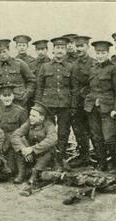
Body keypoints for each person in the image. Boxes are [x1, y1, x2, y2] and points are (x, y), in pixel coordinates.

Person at [35, 36, 78, 171]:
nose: (60, 50)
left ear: (66, 50)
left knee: (63, 132)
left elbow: (74, 88)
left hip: (65, 104)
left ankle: (60, 158)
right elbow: (40, 87)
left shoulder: (71, 67)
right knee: (49, 132)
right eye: (57, 48)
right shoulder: (45, 66)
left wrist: (73, 105)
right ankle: (49, 158)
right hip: (48, 105)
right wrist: (38, 106)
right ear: (53, 50)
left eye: (62, 48)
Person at [84, 40, 116, 172]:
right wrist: (88, 98)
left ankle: (114, 163)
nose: (100, 55)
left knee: (109, 137)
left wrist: (115, 109)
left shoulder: (113, 68)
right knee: (96, 136)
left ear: (108, 53)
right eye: (98, 53)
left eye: (103, 53)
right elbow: (87, 87)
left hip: (107, 109)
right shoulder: (93, 68)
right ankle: (101, 163)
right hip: (92, 108)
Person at [10, 101, 58, 184]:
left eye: (34, 116)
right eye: (30, 115)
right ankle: (21, 173)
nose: (30, 117)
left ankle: (35, 174)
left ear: (42, 117)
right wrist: (23, 149)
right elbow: (15, 135)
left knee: (49, 150)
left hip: (43, 155)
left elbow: (52, 140)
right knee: (19, 143)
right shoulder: (29, 123)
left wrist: (32, 149)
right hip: (30, 154)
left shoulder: (49, 125)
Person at [68, 35, 96, 168]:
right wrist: (73, 105)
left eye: (81, 46)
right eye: (77, 46)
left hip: (90, 103)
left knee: (94, 131)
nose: (79, 49)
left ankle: (100, 158)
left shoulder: (94, 63)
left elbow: (95, 85)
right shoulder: (74, 65)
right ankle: (84, 157)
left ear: (87, 47)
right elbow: (73, 87)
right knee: (79, 131)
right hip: (77, 104)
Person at [0, 85, 28, 182]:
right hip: (1, 143)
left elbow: (25, 130)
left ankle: (21, 173)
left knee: (17, 144)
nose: (7, 98)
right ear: (0, 97)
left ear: (13, 96)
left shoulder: (20, 111)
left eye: (9, 95)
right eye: (4, 95)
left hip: (14, 145)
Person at [0, 39, 36, 108]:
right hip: (2, 102)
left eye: (4, 51)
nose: (2, 54)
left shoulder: (19, 63)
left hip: (19, 100)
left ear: (8, 50)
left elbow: (31, 80)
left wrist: (27, 94)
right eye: (0, 52)